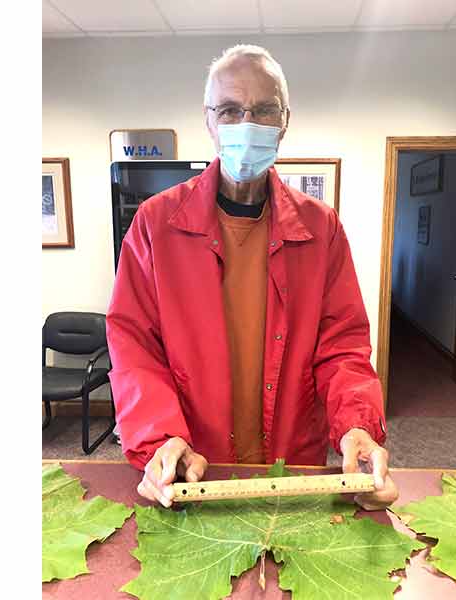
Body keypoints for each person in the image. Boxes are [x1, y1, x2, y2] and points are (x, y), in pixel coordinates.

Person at [106, 45, 397, 510]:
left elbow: (342, 346)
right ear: (208, 120)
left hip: (292, 464)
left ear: (284, 121)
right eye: (230, 110)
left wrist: (358, 425)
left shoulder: (320, 229)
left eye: (263, 110)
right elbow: (134, 347)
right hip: (188, 464)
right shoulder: (155, 225)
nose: (247, 123)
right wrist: (157, 436)